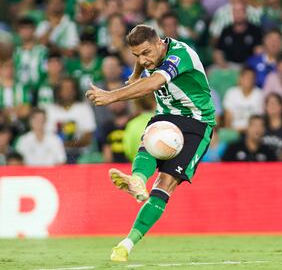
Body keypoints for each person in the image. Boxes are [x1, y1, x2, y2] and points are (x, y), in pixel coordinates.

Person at [85, 24, 216, 262]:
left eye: (146, 53)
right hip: (167, 116)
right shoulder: (151, 52)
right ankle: (136, 180)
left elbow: (155, 83)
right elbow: (145, 60)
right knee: (152, 138)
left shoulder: (180, 55)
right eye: (136, 56)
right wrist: (136, 72)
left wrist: (110, 95)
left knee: (165, 184)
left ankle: (128, 243)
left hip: (197, 122)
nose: (143, 59)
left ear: (160, 44)